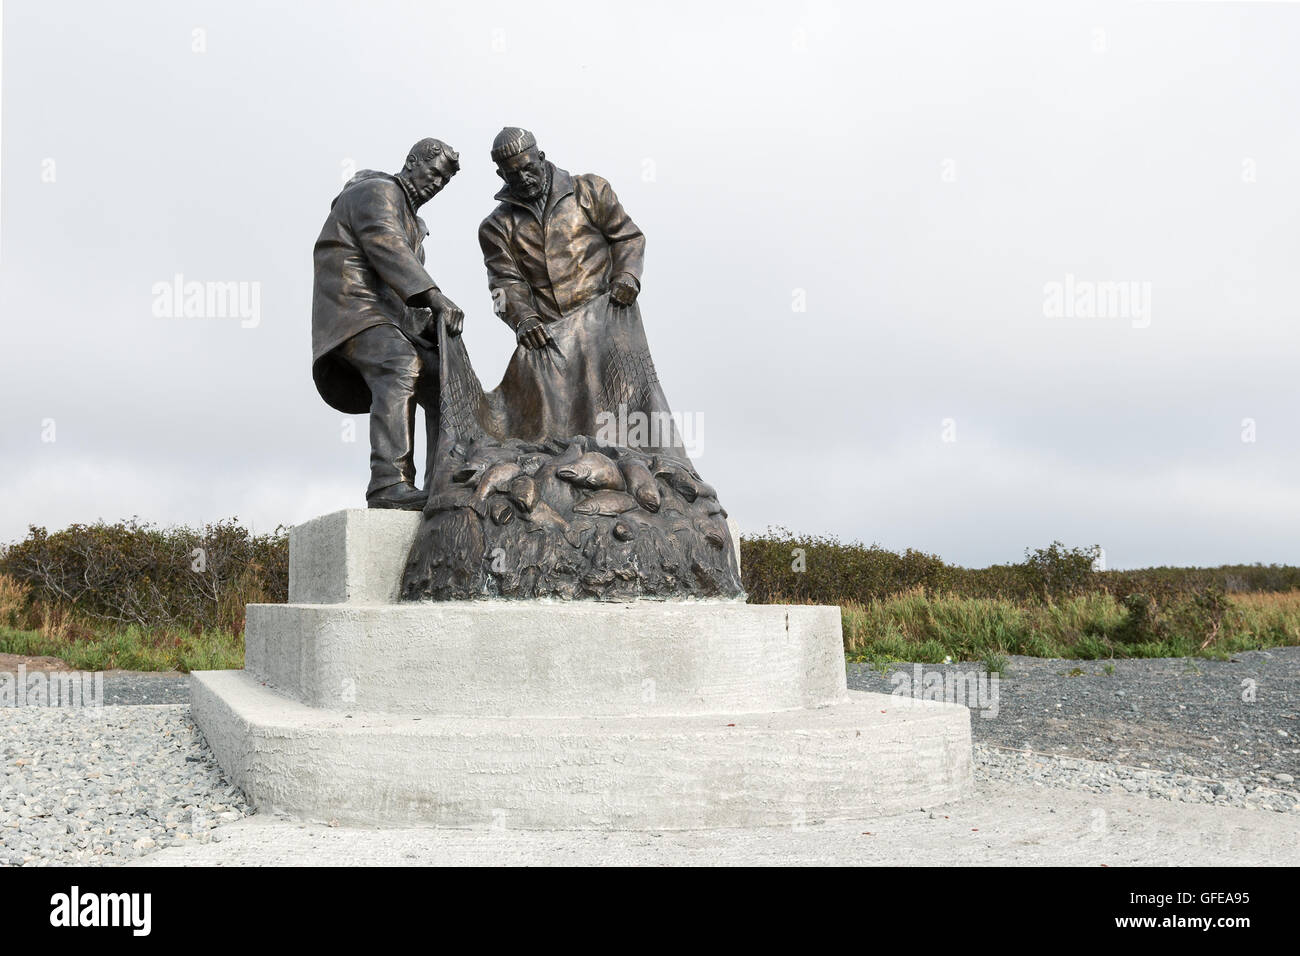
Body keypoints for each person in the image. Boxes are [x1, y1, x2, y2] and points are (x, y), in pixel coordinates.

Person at [310, 138, 465, 509]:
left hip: (385, 319)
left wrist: (428, 324)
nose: (436, 184)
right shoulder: (377, 192)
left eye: (444, 181)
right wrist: (435, 296)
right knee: (400, 362)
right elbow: (387, 248)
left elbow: (402, 298)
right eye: (434, 173)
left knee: (440, 374)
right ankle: (388, 483)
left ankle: (441, 476)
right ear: (412, 161)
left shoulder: (415, 225)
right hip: (353, 314)